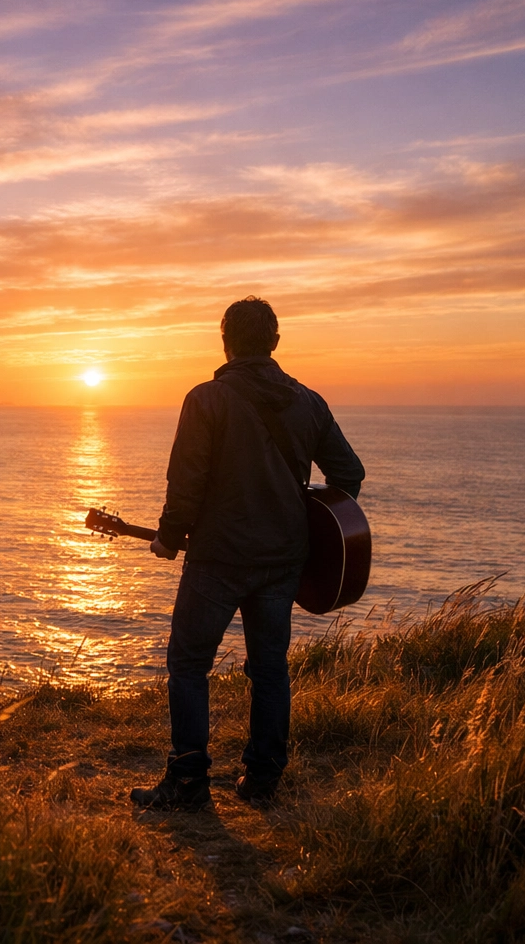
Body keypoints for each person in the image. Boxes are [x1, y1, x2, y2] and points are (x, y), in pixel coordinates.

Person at [131, 297, 364, 811]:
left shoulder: (207, 400)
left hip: (217, 559)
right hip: (283, 562)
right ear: (275, 342)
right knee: (269, 669)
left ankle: (189, 781)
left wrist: (168, 538)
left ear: (225, 342)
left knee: (190, 665)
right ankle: (263, 779)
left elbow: (185, 483)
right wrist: (311, 524)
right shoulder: (309, 402)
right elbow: (348, 476)